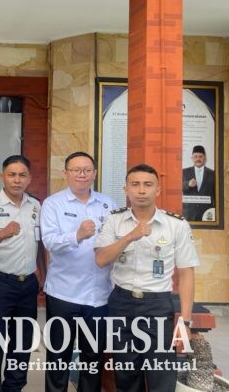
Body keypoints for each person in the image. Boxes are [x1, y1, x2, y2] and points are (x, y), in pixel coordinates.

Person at [95, 163, 199, 392]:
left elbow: (186, 274)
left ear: (158, 190)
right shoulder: (114, 220)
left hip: (157, 305)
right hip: (121, 304)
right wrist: (130, 236)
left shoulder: (176, 225)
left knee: (161, 375)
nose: (141, 190)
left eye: (148, 184)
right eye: (135, 184)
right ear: (126, 190)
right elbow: (101, 259)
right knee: (125, 376)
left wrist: (185, 322)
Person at [40, 151, 117, 392]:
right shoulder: (53, 204)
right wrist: (78, 235)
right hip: (63, 294)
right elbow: (49, 242)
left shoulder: (108, 204)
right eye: (76, 170)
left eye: (87, 170)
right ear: (66, 173)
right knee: (58, 356)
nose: (82, 174)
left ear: (94, 173)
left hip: (99, 296)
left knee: (93, 358)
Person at [0, 155, 46, 392]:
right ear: (2, 177)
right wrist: (3, 233)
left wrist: (42, 273)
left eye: (22, 175)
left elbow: (39, 243)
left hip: (27, 284)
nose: (17, 180)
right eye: (12, 175)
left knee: (22, 344)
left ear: (29, 178)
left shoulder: (35, 205)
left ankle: (13, 388)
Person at [182, 145, 215, 221]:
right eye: (195, 157)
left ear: (205, 158)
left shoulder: (213, 174)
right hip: (189, 213)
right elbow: (176, 187)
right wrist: (188, 184)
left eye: (201, 156)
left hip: (207, 213)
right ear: (192, 158)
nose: (198, 159)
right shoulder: (184, 172)